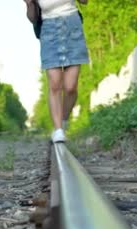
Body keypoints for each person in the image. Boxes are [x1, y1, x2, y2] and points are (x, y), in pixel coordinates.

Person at [24, 0, 89, 143]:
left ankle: (63, 120)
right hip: (49, 30)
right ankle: (58, 129)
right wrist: (29, 4)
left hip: (73, 26)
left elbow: (85, 2)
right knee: (55, 84)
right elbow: (33, 18)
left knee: (71, 87)